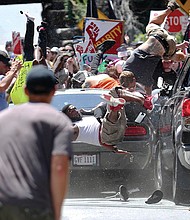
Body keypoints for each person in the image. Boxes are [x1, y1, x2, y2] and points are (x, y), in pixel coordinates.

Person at [0, 65, 73, 220]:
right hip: (35, 205)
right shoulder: (58, 122)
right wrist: (57, 212)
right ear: (53, 91)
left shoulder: (3, 119)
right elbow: (59, 167)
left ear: (26, 90)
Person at [123, 0, 189, 95]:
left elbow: (148, 89)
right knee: (152, 24)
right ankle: (170, 9)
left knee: (168, 56)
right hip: (157, 35)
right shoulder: (127, 64)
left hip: (169, 46)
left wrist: (148, 102)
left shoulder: (142, 77)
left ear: (133, 80)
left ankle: (187, 57)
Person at [61, 95, 128, 153]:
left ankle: (115, 106)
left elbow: (101, 142)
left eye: (75, 109)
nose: (75, 111)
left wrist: (114, 149)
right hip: (107, 133)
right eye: (71, 111)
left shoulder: (85, 119)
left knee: (114, 92)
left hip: (117, 129)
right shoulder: (73, 127)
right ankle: (114, 108)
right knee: (107, 123)